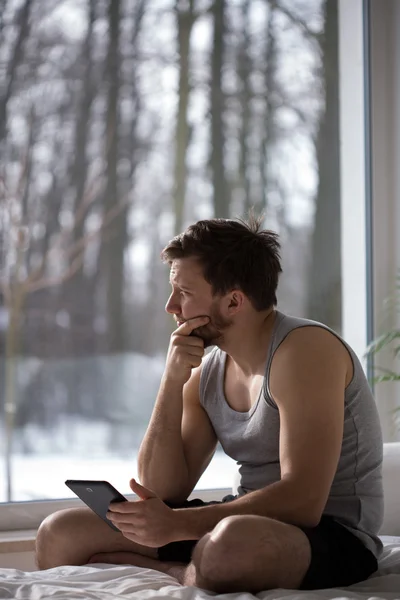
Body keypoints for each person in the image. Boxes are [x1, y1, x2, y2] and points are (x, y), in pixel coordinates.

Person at [36, 216, 383, 593]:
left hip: (330, 536)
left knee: (230, 544)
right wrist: (171, 382)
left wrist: (177, 526)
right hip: (246, 518)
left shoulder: (304, 351)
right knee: (59, 533)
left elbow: (304, 502)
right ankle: (194, 566)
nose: (171, 306)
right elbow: (161, 489)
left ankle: (179, 573)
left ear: (234, 301)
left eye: (183, 292)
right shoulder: (209, 367)